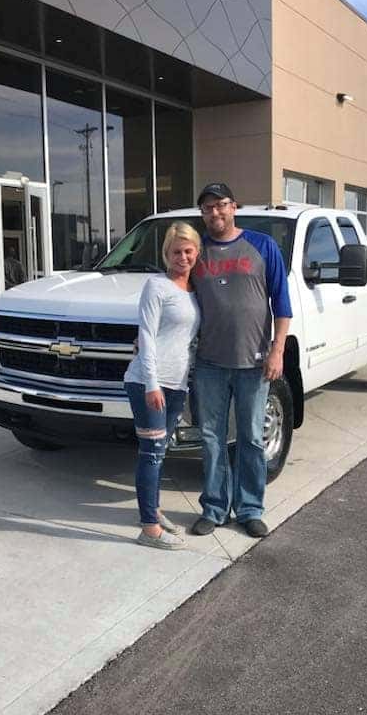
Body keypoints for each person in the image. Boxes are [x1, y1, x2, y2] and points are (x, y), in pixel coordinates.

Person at [189, 183, 292, 539]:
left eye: (221, 205)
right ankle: (215, 508)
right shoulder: (195, 252)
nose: (214, 213)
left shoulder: (263, 246)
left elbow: (282, 303)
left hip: (255, 362)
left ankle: (250, 509)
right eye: (207, 208)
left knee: (250, 437)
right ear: (201, 214)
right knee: (211, 438)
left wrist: (278, 350)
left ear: (235, 207)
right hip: (209, 363)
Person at [123, 222, 202, 550]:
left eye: (188, 251)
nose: (182, 257)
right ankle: (149, 529)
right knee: (151, 454)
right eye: (175, 252)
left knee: (160, 452)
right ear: (165, 255)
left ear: (196, 252)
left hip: (177, 384)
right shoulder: (157, 286)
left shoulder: (193, 290)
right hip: (148, 382)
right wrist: (152, 385)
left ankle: (153, 510)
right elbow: (146, 336)